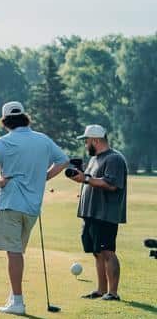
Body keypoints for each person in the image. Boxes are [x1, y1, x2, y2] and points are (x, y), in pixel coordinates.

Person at [0, 101, 69, 315]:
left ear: (5, 121)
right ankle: (14, 296)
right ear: (24, 117)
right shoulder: (43, 140)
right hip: (32, 208)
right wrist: (45, 176)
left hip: (10, 203)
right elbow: (63, 160)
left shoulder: (5, 141)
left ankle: (18, 302)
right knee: (17, 252)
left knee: (14, 254)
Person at [68, 125, 127, 301]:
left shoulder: (114, 159)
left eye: (86, 141)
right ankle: (101, 290)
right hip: (91, 213)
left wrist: (85, 178)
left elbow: (111, 184)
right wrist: (81, 176)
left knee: (107, 251)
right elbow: (91, 180)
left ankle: (113, 293)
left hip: (105, 214)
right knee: (97, 252)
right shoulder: (95, 159)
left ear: (95, 140)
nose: (85, 144)